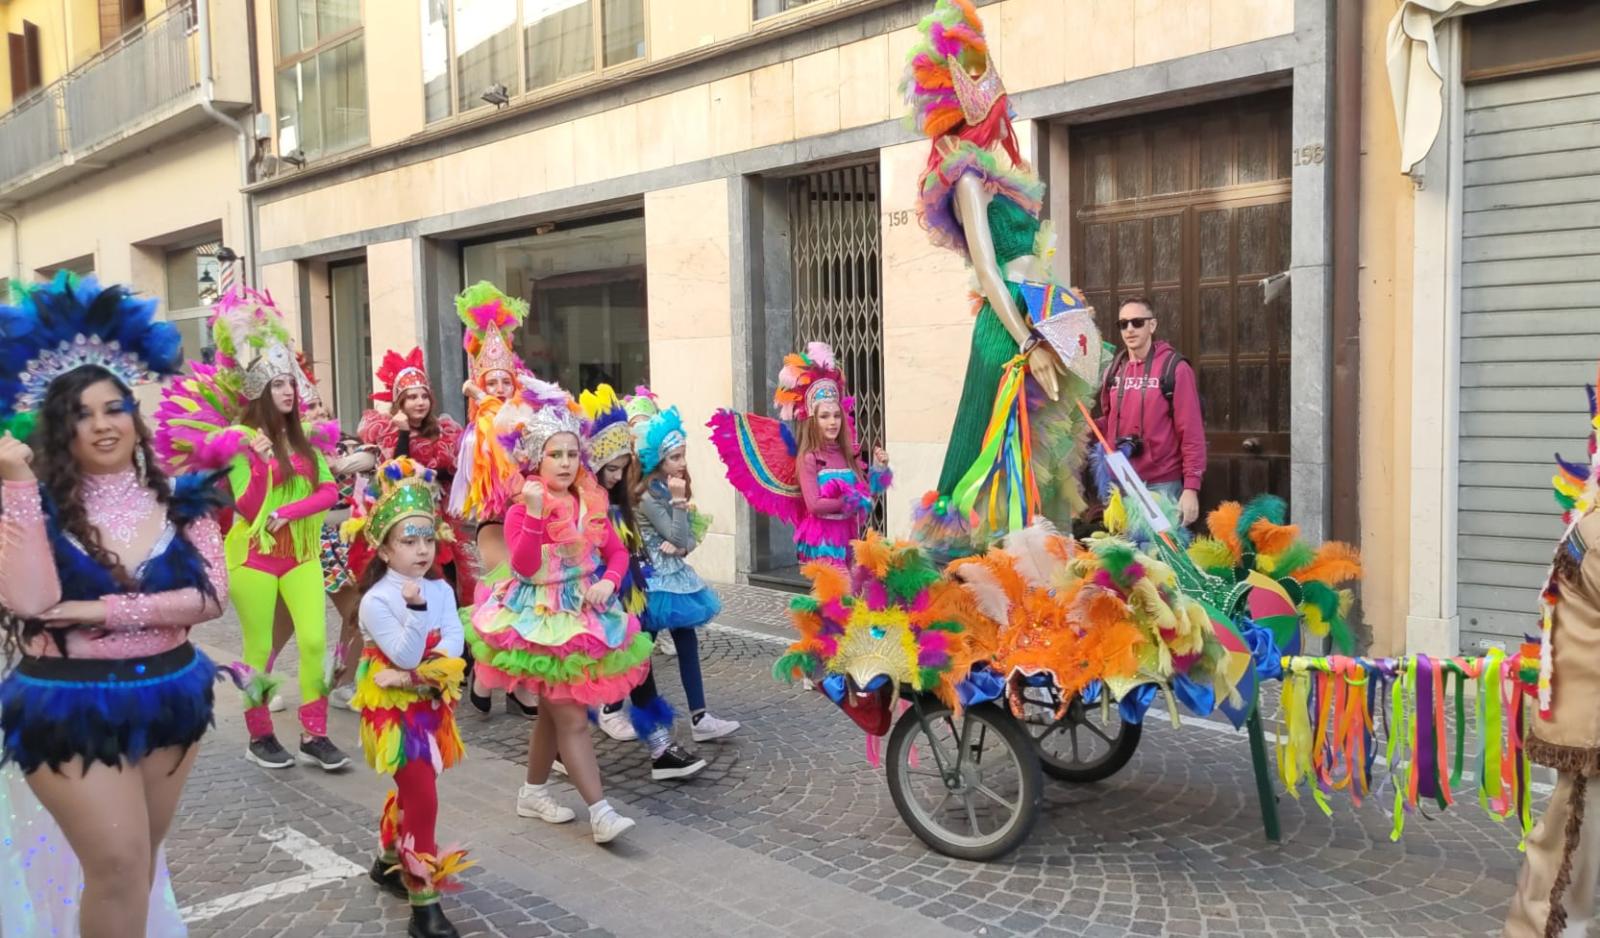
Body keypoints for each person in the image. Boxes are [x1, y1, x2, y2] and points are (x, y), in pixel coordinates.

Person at [0, 274, 224, 937]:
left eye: (114, 408)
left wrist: (100, 612)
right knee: (119, 865)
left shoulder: (183, 497)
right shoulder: (31, 505)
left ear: (134, 413)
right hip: (67, 702)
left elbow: (209, 598)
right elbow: (32, 600)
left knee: (142, 862)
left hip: (170, 694)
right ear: (58, 428)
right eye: (81, 414)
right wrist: (16, 482)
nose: (101, 424)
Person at [901, 0, 1103, 559]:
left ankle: (1039, 575)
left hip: (1034, 316)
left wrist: (1056, 318)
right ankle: (988, 573)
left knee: (1043, 458)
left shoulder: (997, 176)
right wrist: (1028, 342)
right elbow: (988, 271)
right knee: (997, 456)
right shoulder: (967, 178)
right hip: (1009, 327)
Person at [155, 286, 351, 772]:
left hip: (300, 554)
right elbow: (245, 506)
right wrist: (261, 465)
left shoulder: (304, 442)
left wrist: (292, 511)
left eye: (290, 384)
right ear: (260, 392)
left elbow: (330, 492)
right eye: (278, 384)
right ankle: (259, 735)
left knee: (313, 642)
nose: (288, 391)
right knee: (260, 648)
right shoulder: (240, 441)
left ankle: (314, 734)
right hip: (254, 556)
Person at [466, 378, 652, 842]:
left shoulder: (590, 502)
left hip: (581, 617)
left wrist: (608, 581)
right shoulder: (520, 510)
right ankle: (601, 812)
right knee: (571, 717)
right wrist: (533, 515)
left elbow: (617, 553)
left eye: (571, 454)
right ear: (537, 459)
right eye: (555, 454)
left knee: (553, 715)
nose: (566, 463)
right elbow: (525, 566)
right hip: (536, 622)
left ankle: (532, 792)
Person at [345, 457, 471, 938]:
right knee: (423, 797)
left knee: (417, 789)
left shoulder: (440, 588)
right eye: (408, 541)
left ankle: (386, 860)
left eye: (427, 539)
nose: (421, 550)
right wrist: (416, 615)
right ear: (384, 547)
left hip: (431, 704)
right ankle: (424, 905)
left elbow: (455, 641)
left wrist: (417, 674)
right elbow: (404, 652)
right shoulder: (377, 600)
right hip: (393, 714)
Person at [580, 385, 709, 779]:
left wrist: (620, 580)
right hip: (583, 600)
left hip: (621, 595)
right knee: (574, 684)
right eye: (610, 468)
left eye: (623, 467)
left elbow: (625, 550)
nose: (617, 476)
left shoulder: (621, 500)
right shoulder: (584, 501)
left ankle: (659, 747)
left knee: (639, 663)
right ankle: (563, 749)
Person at [707, 342, 891, 567]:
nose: (832, 422)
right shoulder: (809, 458)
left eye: (836, 416)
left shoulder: (846, 455)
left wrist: (879, 468)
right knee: (837, 590)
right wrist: (849, 501)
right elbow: (814, 505)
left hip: (848, 540)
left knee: (852, 589)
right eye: (824, 416)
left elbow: (867, 494)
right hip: (822, 543)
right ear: (813, 421)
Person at [636, 402, 740, 741]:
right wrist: (679, 505)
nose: (681, 463)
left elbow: (687, 540)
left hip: (673, 578)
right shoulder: (649, 494)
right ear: (658, 461)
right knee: (638, 650)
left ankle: (699, 717)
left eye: (683, 455)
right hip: (653, 581)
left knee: (685, 640)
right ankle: (614, 708)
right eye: (674, 457)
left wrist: (682, 545)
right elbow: (679, 535)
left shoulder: (666, 486)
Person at [357, 347, 471, 604]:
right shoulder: (388, 430)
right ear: (399, 403)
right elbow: (397, 469)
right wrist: (404, 432)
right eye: (411, 397)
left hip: (436, 515)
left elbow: (451, 470)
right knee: (413, 575)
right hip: (404, 516)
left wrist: (434, 475)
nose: (419, 402)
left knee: (448, 578)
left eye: (424, 396)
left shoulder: (443, 431)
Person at [1095, 296, 1206, 526]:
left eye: (1137, 322)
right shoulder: (1114, 370)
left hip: (1162, 484)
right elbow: (1110, 420)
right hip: (1121, 480)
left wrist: (1191, 488)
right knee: (1125, 548)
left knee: (1161, 548)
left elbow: (1191, 432)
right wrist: (1080, 427)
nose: (1130, 329)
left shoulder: (1175, 368)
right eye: (1123, 324)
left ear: (1152, 325)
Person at [449, 283, 530, 525]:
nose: (500, 389)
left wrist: (480, 395)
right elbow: (496, 421)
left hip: (526, 512)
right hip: (493, 519)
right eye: (491, 383)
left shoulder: (527, 419)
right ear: (482, 386)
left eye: (506, 382)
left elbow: (505, 419)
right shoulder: (475, 430)